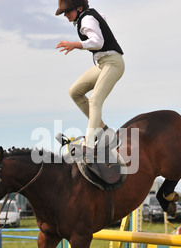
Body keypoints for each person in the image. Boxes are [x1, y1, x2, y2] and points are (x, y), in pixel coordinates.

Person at [55, 0, 124, 183]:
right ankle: (103, 131)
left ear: (78, 8)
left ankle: (88, 145)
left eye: (67, 12)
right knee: (75, 91)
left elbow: (98, 41)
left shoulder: (86, 19)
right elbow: (102, 22)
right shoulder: (89, 17)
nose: (66, 16)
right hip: (103, 64)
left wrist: (75, 44)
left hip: (113, 63)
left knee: (94, 101)